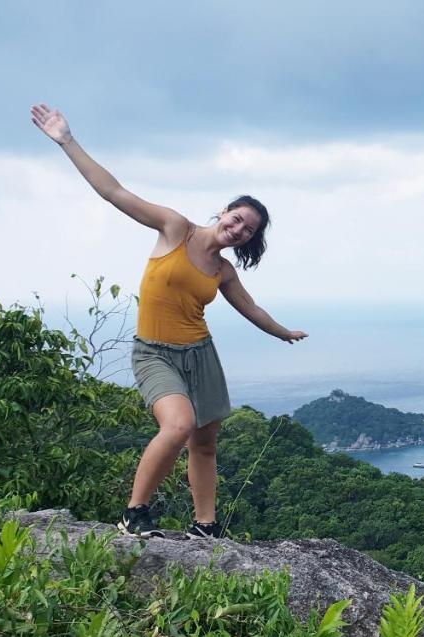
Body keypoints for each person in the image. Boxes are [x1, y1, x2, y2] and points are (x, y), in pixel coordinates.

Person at [31, 103, 307, 540]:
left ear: (249, 239)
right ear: (224, 212)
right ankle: (134, 513)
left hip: (201, 355)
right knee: (177, 426)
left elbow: (251, 308)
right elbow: (115, 192)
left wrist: (283, 332)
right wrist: (67, 141)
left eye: (248, 230)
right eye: (237, 219)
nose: (238, 230)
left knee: (205, 442)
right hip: (155, 353)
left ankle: (206, 525)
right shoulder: (176, 229)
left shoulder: (223, 271)